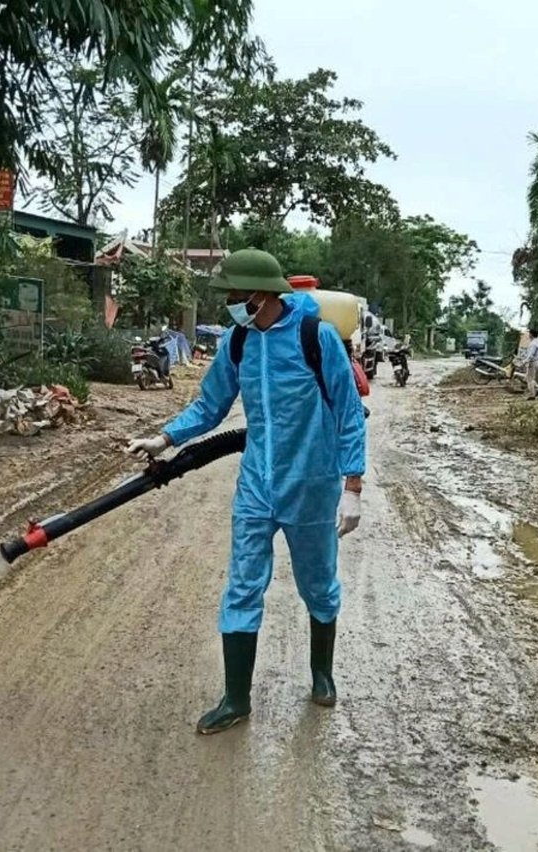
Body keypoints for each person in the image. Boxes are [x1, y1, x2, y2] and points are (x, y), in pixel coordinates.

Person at [128, 248, 367, 735]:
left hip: (312, 486)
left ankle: (322, 673)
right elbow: (211, 404)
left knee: (318, 586)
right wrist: (166, 436)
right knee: (242, 587)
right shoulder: (238, 343)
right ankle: (236, 698)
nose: (232, 306)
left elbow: (347, 415)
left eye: (238, 297)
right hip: (257, 484)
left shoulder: (315, 338)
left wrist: (353, 486)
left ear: (262, 295)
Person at [522, 327, 538, 400]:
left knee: (529, 379)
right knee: (529, 377)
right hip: (537, 361)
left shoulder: (533, 344)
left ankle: (532, 394)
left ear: (531, 334)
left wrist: (524, 361)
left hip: (533, 362)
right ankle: (537, 388)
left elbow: (531, 355)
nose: (528, 335)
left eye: (529, 333)